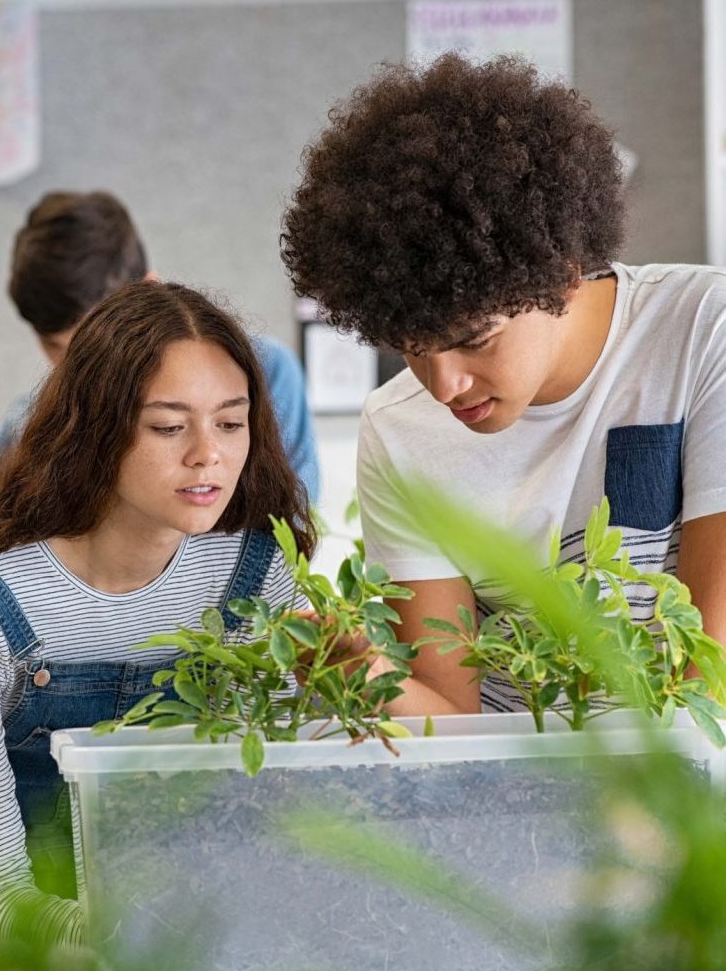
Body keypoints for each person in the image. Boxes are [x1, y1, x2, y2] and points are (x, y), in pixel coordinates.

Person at [0, 281, 315, 945]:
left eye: (230, 423)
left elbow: (248, 811)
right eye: (168, 426)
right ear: (96, 431)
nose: (207, 453)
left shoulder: (256, 574)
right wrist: (143, 942)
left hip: (130, 885)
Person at [280, 52, 726, 716]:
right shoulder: (397, 428)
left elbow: (709, 673)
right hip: (518, 781)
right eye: (411, 350)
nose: (444, 384)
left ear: (562, 276)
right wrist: (362, 669)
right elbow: (450, 717)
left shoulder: (700, 330)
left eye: (473, 338)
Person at [0, 190, 321, 503]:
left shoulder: (264, 370)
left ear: (149, 289)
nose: (79, 370)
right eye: (55, 348)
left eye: (228, 424)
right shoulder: (26, 424)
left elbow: (291, 522)